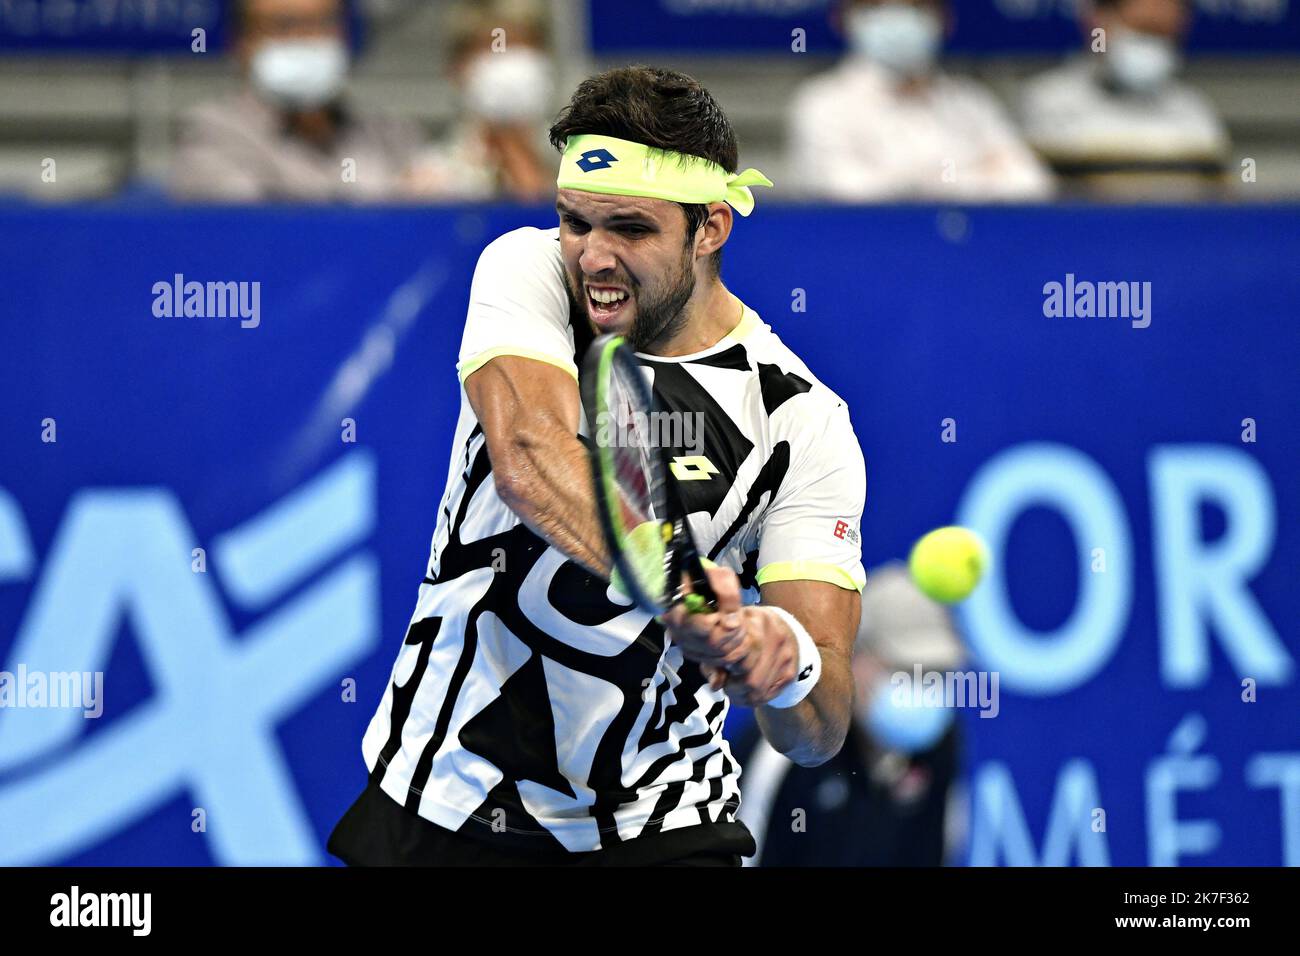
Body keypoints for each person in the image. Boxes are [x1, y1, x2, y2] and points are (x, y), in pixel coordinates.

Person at [328, 66, 868, 867]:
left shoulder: (804, 420)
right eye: (576, 221)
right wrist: (679, 587)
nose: (594, 257)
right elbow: (528, 459)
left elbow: (820, 729)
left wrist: (784, 663)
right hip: (444, 805)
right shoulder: (527, 269)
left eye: (631, 229)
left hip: (663, 829)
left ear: (711, 227)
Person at [733, 563, 964, 866]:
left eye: (935, 673)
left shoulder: (939, 745)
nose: (921, 686)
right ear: (854, 657)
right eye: (903, 669)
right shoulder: (785, 747)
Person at [786, 0, 1052, 202]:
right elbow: (847, 190)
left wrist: (914, 181)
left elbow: (1030, 183)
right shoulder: (821, 104)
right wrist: (973, 173)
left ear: (943, 19)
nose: (898, 14)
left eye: (914, 4)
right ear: (845, 17)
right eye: (878, 4)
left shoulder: (971, 102)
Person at [169, 0, 432, 202]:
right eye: (283, 26)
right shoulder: (208, 134)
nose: (303, 39)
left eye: (321, 23)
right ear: (242, 43)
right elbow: (255, 227)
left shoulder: (388, 131)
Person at [1019, 0, 1229, 199]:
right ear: (1097, 21)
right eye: (1143, 31)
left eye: (1163, 36)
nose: (1153, 47)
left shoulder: (1195, 111)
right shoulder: (1049, 103)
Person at [399, 0, 555, 201]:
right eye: (494, 47)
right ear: (457, 68)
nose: (508, 65)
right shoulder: (428, 183)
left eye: (520, 45)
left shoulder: (579, 155)